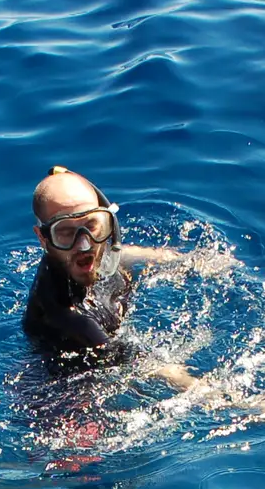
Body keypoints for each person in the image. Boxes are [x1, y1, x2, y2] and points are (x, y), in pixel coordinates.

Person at [21, 166, 200, 388]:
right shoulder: (66, 316)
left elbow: (120, 255)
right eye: (66, 232)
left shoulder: (84, 252)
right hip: (68, 391)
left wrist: (186, 261)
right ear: (43, 238)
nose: (85, 244)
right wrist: (228, 399)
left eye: (92, 225)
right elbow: (147, 365)